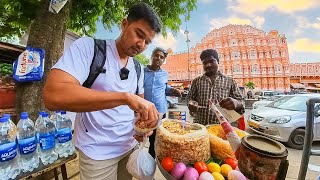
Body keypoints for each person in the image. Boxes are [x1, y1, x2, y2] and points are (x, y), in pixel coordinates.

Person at [42, 3, 162, 180]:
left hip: (129, 147)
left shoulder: (138, 68)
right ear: (124, 24)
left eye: (147, 42)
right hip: (97, 152)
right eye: (139, 34)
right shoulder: (89, 48)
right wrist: (125, 98)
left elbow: (138, 110)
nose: (141, 44)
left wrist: (144, 126)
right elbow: (53, 94)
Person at [187, 49, 245, 125]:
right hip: (200, 126)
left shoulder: (230, 81)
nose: (208, 65)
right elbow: (189, 98)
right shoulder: (196, 81)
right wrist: (191, 103)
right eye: (205, 63)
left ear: (218, 61)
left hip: (221, 128)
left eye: (211, 61)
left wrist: (236, 103)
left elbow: (242, 101)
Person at [143, 47, 181, 158]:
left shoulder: (164, 74)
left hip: (160, 111)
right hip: (146, 110)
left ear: (163, 60)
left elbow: (163, 87)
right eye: (156, 55)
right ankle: (141, 161)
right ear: (152, 56)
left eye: (162, 57)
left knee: (156, 139)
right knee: (143, 135)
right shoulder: (142, 71)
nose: (158, 58)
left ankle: (151, 164)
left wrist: (172, 90)